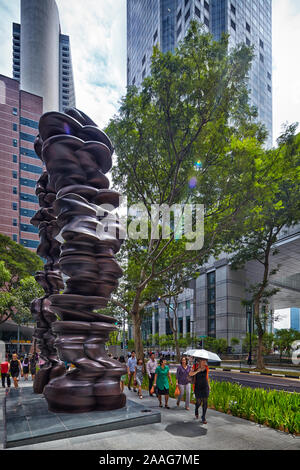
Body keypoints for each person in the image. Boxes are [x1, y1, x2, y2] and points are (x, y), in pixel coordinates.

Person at [189, 358, 210, 424]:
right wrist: (198, 370)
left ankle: (203, 417)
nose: (204, 362)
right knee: (199, 401)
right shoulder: (195, 366)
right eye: (203, 361)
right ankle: (196, 408)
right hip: (197, 387)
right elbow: (190, 374)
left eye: (205, 361)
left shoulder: (206, 367)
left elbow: (207, 377)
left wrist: (209, 385)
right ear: (200, 361)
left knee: (205, 402)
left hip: (205, 387)